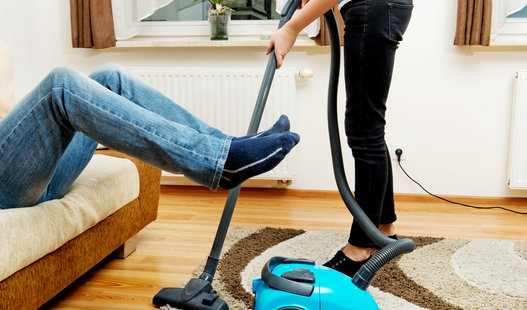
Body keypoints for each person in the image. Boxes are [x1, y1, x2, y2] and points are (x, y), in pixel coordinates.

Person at [0, 49, 300, 209]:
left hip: (35, 178)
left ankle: (224, 146)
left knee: (110, 76)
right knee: (61, 84)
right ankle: (217, 163)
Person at [266, 0, 413, 276]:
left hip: (373, 8)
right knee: (370, 127)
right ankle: (383, 230)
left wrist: (292, 27)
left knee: (364, 129)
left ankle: (358, 250)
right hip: (379, 8)